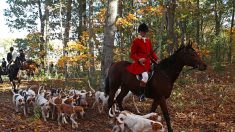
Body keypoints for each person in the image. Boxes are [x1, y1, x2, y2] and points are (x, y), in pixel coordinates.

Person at [127, 23, 160, 101]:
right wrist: (139, 59)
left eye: (145, 32)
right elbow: (132, 54)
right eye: (142, 32)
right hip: (140, 64)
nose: (144, 33)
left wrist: (157, 59)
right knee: (145, 76)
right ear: (140, 32)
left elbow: (152, 52)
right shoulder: (136, 41)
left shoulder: (148, 41)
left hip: (148, 62)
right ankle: (141, 95)